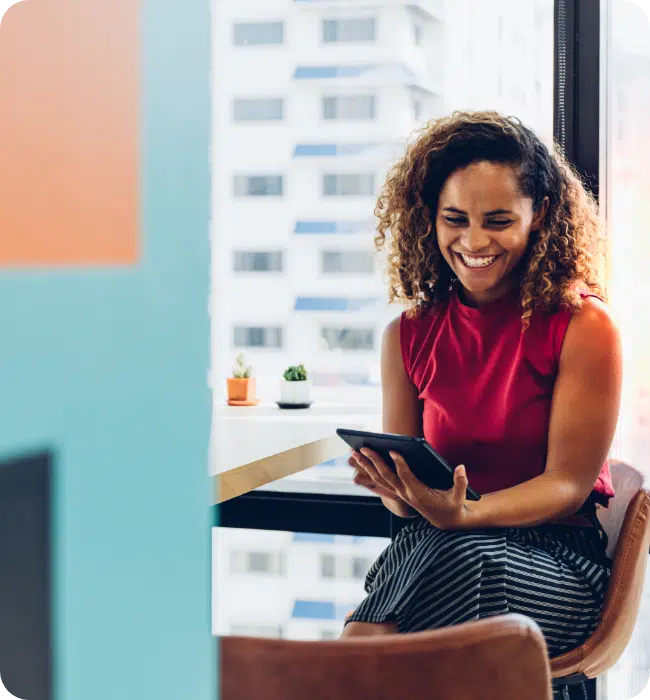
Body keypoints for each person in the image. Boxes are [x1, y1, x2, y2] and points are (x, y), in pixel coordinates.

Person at [343, 111, 622, 668]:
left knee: (440, 570)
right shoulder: (407, 336)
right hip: (436, 551)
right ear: (431, 219)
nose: (473, 241)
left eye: (497, 220)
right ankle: (356, 666)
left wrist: (468, 515)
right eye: (455, 219)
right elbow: (406, 506)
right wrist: (393, 488)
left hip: (557, 564)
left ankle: (347, 663)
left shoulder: (583, 327)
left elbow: (567, 484)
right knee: (440, 554)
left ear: (538, 214)